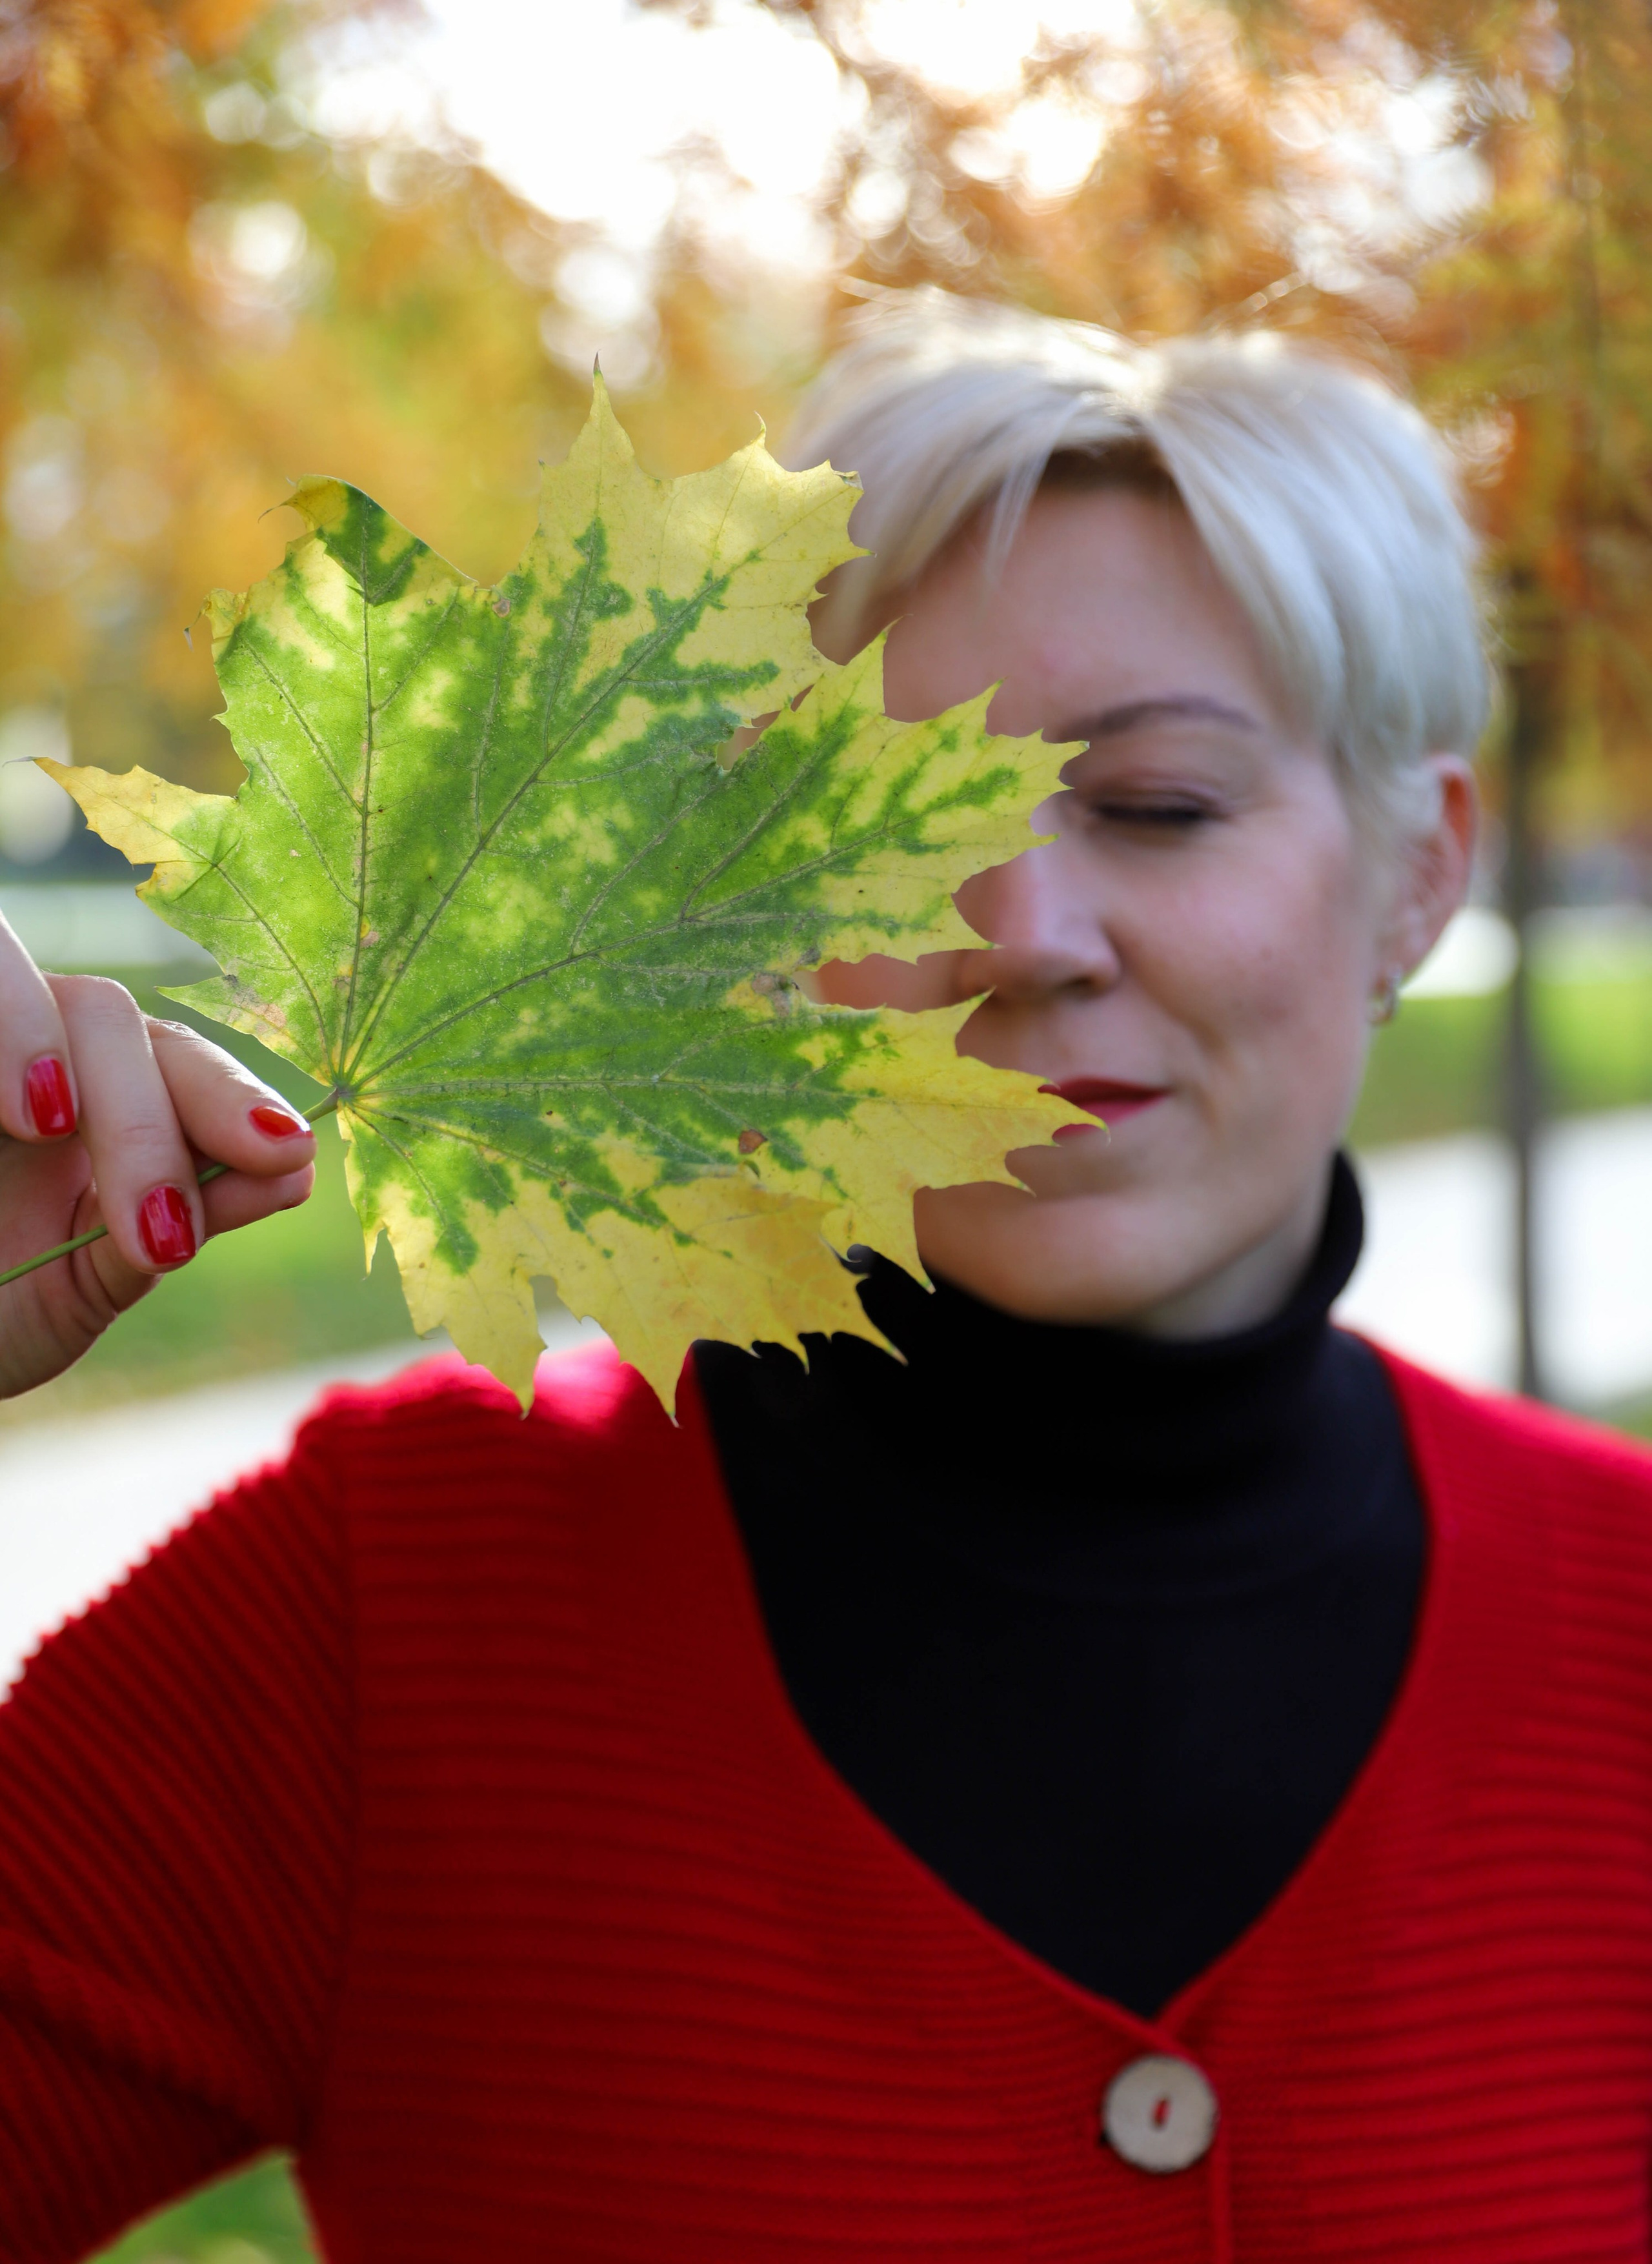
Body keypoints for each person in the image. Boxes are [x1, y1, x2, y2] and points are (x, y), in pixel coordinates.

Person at [2, 292, 1651, 2264]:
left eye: (1156, 805)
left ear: (1420, 874)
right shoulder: (391, 1617)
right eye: (900, 827)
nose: (1029, 932)